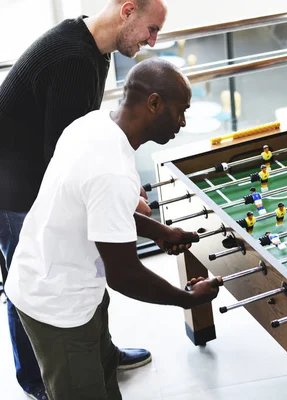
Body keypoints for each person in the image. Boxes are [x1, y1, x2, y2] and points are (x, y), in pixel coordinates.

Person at [4, 58, 220, 400]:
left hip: (72, 284)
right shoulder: (114, 172)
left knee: (106, 380)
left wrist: (160, 233)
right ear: (154, 103)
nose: (183, 121)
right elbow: (124, 275)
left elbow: (98, 211)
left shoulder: (93, 124)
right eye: (181, 111)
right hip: (57, 305)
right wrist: (188, 299)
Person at [0, 1, 167, 398]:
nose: (153, 41)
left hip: (36, 175)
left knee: (84, 268)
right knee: (32, 282)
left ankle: (98, 353)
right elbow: (65, 155)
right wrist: (118, 197)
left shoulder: (96, 50)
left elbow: (87, 140)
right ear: (128, 10)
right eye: (152, 29)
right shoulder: (74, 57)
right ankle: (41, 379)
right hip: (14, 188)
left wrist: (122, 188)